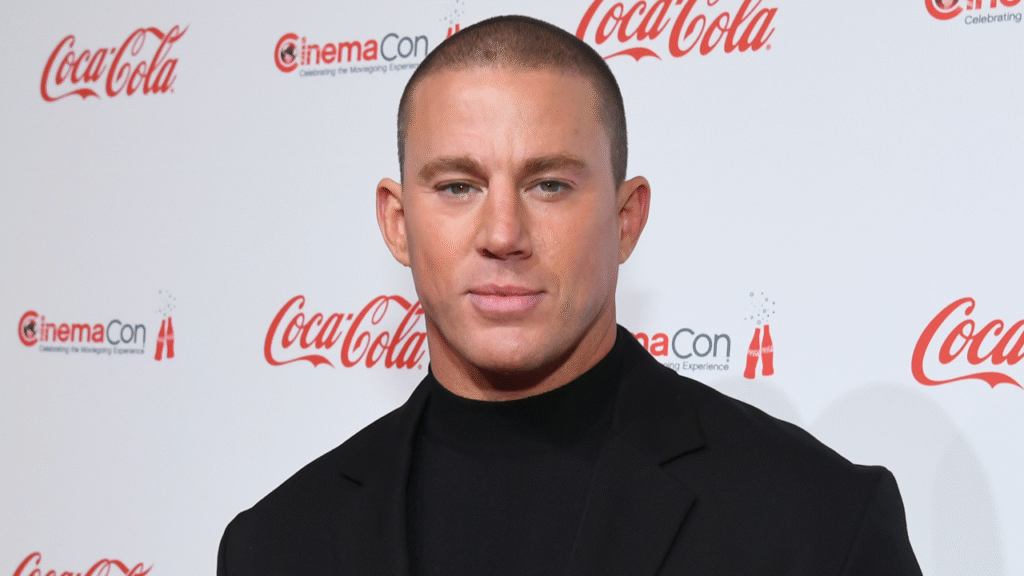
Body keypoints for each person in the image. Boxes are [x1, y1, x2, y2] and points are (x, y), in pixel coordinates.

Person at [218, 15, 922, 575]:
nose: (503, 234)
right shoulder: (276, 546)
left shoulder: (817, 521)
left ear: (626, 219)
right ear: (398, 225)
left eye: (548, 184)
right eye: (458, 186)